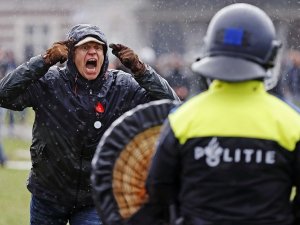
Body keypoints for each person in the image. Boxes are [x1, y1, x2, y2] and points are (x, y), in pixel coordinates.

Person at [0, 23, 179, 225]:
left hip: (93, 197)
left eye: (98, 48)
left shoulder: (121, 85)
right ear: (71, 54)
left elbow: (172, 106)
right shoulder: (50, 82)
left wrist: (141, 70)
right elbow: (4, 95)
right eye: (85, 47)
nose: (92, 52)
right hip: (48, 194)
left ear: (104, 55)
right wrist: (43, 61)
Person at [145, 3, 300, 225]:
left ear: (209, 50)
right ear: (271, 55)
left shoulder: (183, 119)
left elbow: (158, 189)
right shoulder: (291, 123)